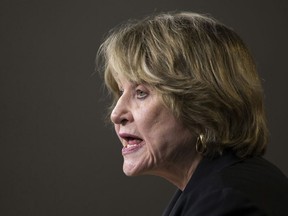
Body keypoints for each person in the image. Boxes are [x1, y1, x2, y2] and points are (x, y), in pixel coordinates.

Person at [97, 11, 288, 215]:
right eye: (120, 91)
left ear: (202, 104)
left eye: (141, 93)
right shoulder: (215, 189)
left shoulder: (227, 201)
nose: (116, 114)